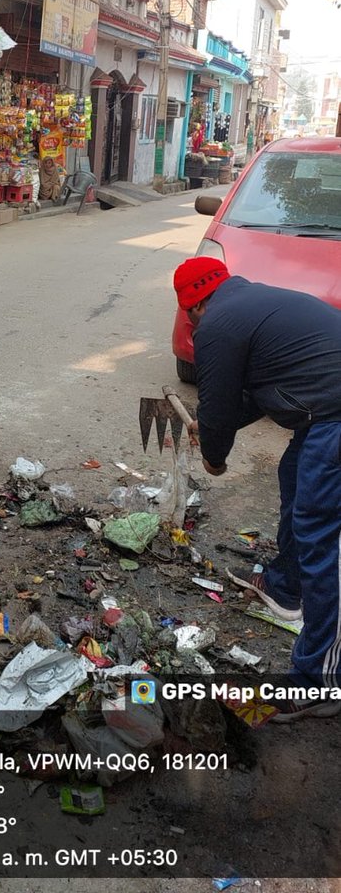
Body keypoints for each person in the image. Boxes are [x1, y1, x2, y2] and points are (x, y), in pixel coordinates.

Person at [172, 256, 341, 720]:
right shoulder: (250, 303)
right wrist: (210, 427)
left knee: (324, 539)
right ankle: (286, 589)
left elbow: (222, 404)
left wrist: (214, 456)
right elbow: (256, 392)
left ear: (193, 307)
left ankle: (319, 682)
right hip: (321, 413)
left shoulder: (217, 326)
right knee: (296, 484)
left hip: (335, 419)